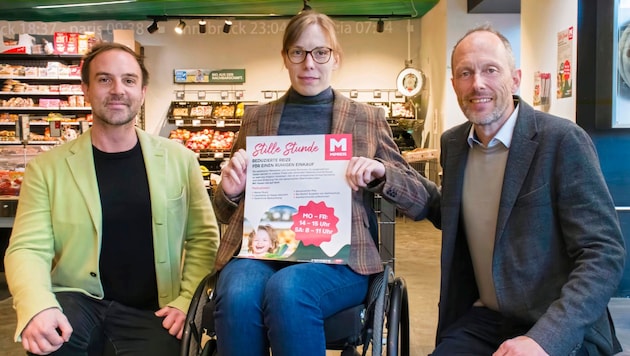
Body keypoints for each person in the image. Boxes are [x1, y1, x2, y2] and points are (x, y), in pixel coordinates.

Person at [211, 10, 433, 356]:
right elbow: (224, 211)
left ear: (336, 58)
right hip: (263, 251)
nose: (309, 63)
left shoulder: (366, 118)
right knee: (237, 292)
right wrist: (229, 190)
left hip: (340, 258)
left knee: (289, 288)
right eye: (298, 52)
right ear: (285, 57)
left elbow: (419, 199)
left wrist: (380, 173)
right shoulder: (257, 118)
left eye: (320, 52)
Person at [4, 42, 220, 355]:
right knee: (51, 345)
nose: (117, 89)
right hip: (75, 301)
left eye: (129, 80)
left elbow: (203, 238)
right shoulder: (46, 168)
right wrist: (38, 306)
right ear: (86, 90)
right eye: (105, 79)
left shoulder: (180, 160)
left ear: (142, 92)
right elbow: (27, 247)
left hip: (155, 308)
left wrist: (187, 300)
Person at [426, 24, 626, 355]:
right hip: (485, 321)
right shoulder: (454, 144)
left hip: (555, 325)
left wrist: (544, 339)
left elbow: (603, 253)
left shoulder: (562, 140)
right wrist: (384, 176)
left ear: (515, 78)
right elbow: (448, 212)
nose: (477, 83)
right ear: (454, 84)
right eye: (465, 73)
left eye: (491, 70)